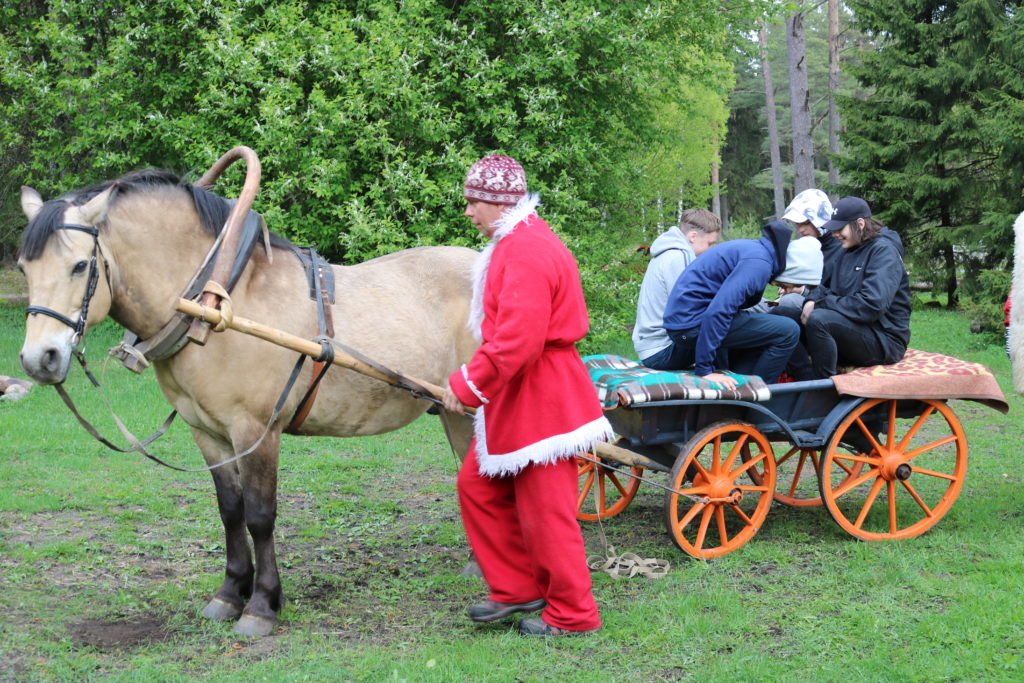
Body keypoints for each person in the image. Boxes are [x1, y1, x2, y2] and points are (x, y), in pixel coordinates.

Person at [442, 155, 612, 638]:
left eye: (473, 202)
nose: (468, 212)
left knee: (546, 511)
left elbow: (519, 339)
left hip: (544, 394)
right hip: (521, 391)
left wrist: (467, 384)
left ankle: (574, 613)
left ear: (498, 203)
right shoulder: (514, 243)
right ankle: (518, 588)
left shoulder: (526, 251)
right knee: (478, 487)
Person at [660, 221, 801, 389]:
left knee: (764, 328)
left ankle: (742, 384)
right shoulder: (759, 262)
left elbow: (738, 303)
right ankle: (760, 393)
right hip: (690, 326)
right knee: (789, 330)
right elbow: (719, 311)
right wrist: (705, 370)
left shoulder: (754, 251)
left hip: (685, 323)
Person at [800, 197, 911, 379]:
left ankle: (822, 388)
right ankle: (800, 379)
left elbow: (871, 305)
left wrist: (820, 304)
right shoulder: (847, 249)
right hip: (856, 327)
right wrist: (811, 300)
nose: (834, 234)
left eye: (840, 228)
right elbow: (824, 285)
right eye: (833, 228)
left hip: (885, 339)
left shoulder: (884, 252)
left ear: (860, 224)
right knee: (787, 314)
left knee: (819, 320)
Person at [632, 209, 721, 368]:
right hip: (662, 350)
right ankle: (724, 376)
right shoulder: (681, 256)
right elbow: (693, 306)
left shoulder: (667, 251)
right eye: (710, 243)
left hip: (651, 347)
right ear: (693, 236)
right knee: (731, 326)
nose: (711, 249)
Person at [782, 188, 841, 283]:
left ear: (821, 219)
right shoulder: (802, 249)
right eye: (797, 223)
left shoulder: (842, 248)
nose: (801, 229)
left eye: (806, 223)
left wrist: (802, 290)